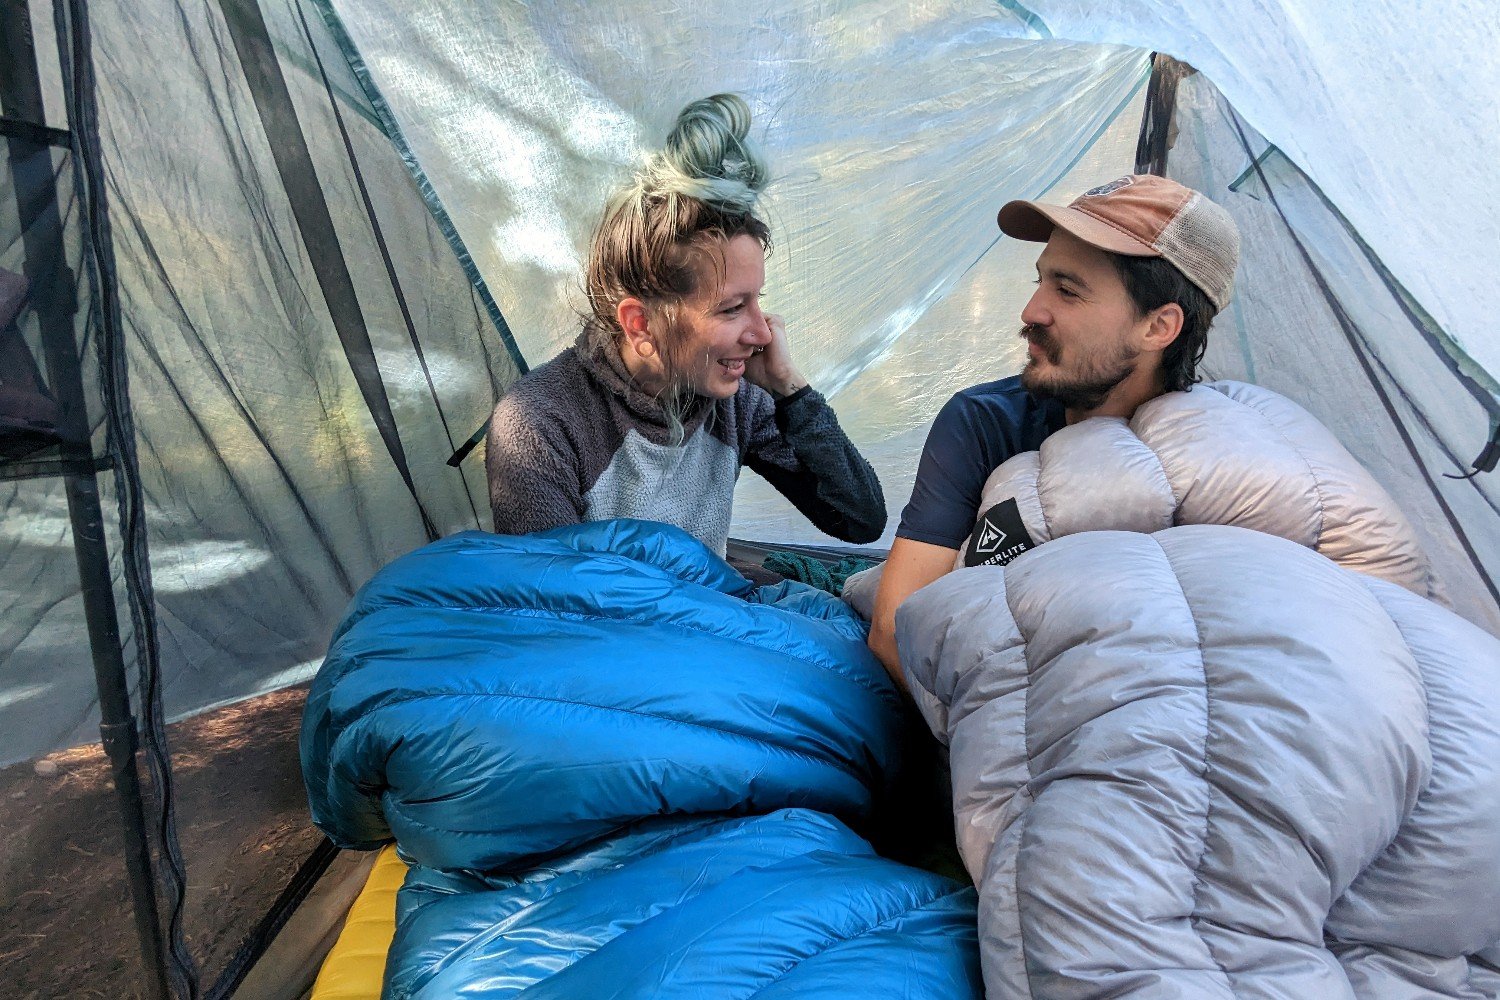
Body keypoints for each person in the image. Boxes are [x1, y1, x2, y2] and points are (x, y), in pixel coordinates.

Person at [868, 174, 1241, 677]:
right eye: (1039, 280)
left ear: (1158, 327)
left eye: (1067, 291)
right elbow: (896, 629)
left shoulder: (1229, 458)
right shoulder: (983, 423)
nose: (1030, 311)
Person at [486, 94, 885, 555]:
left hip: (706, 619)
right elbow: (558, 607)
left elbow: (861, 520)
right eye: (732, 308)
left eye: (759, 300)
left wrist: (789, 389)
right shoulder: (540, 425)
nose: (762, 334)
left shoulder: (736, 402)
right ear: (640, 323)